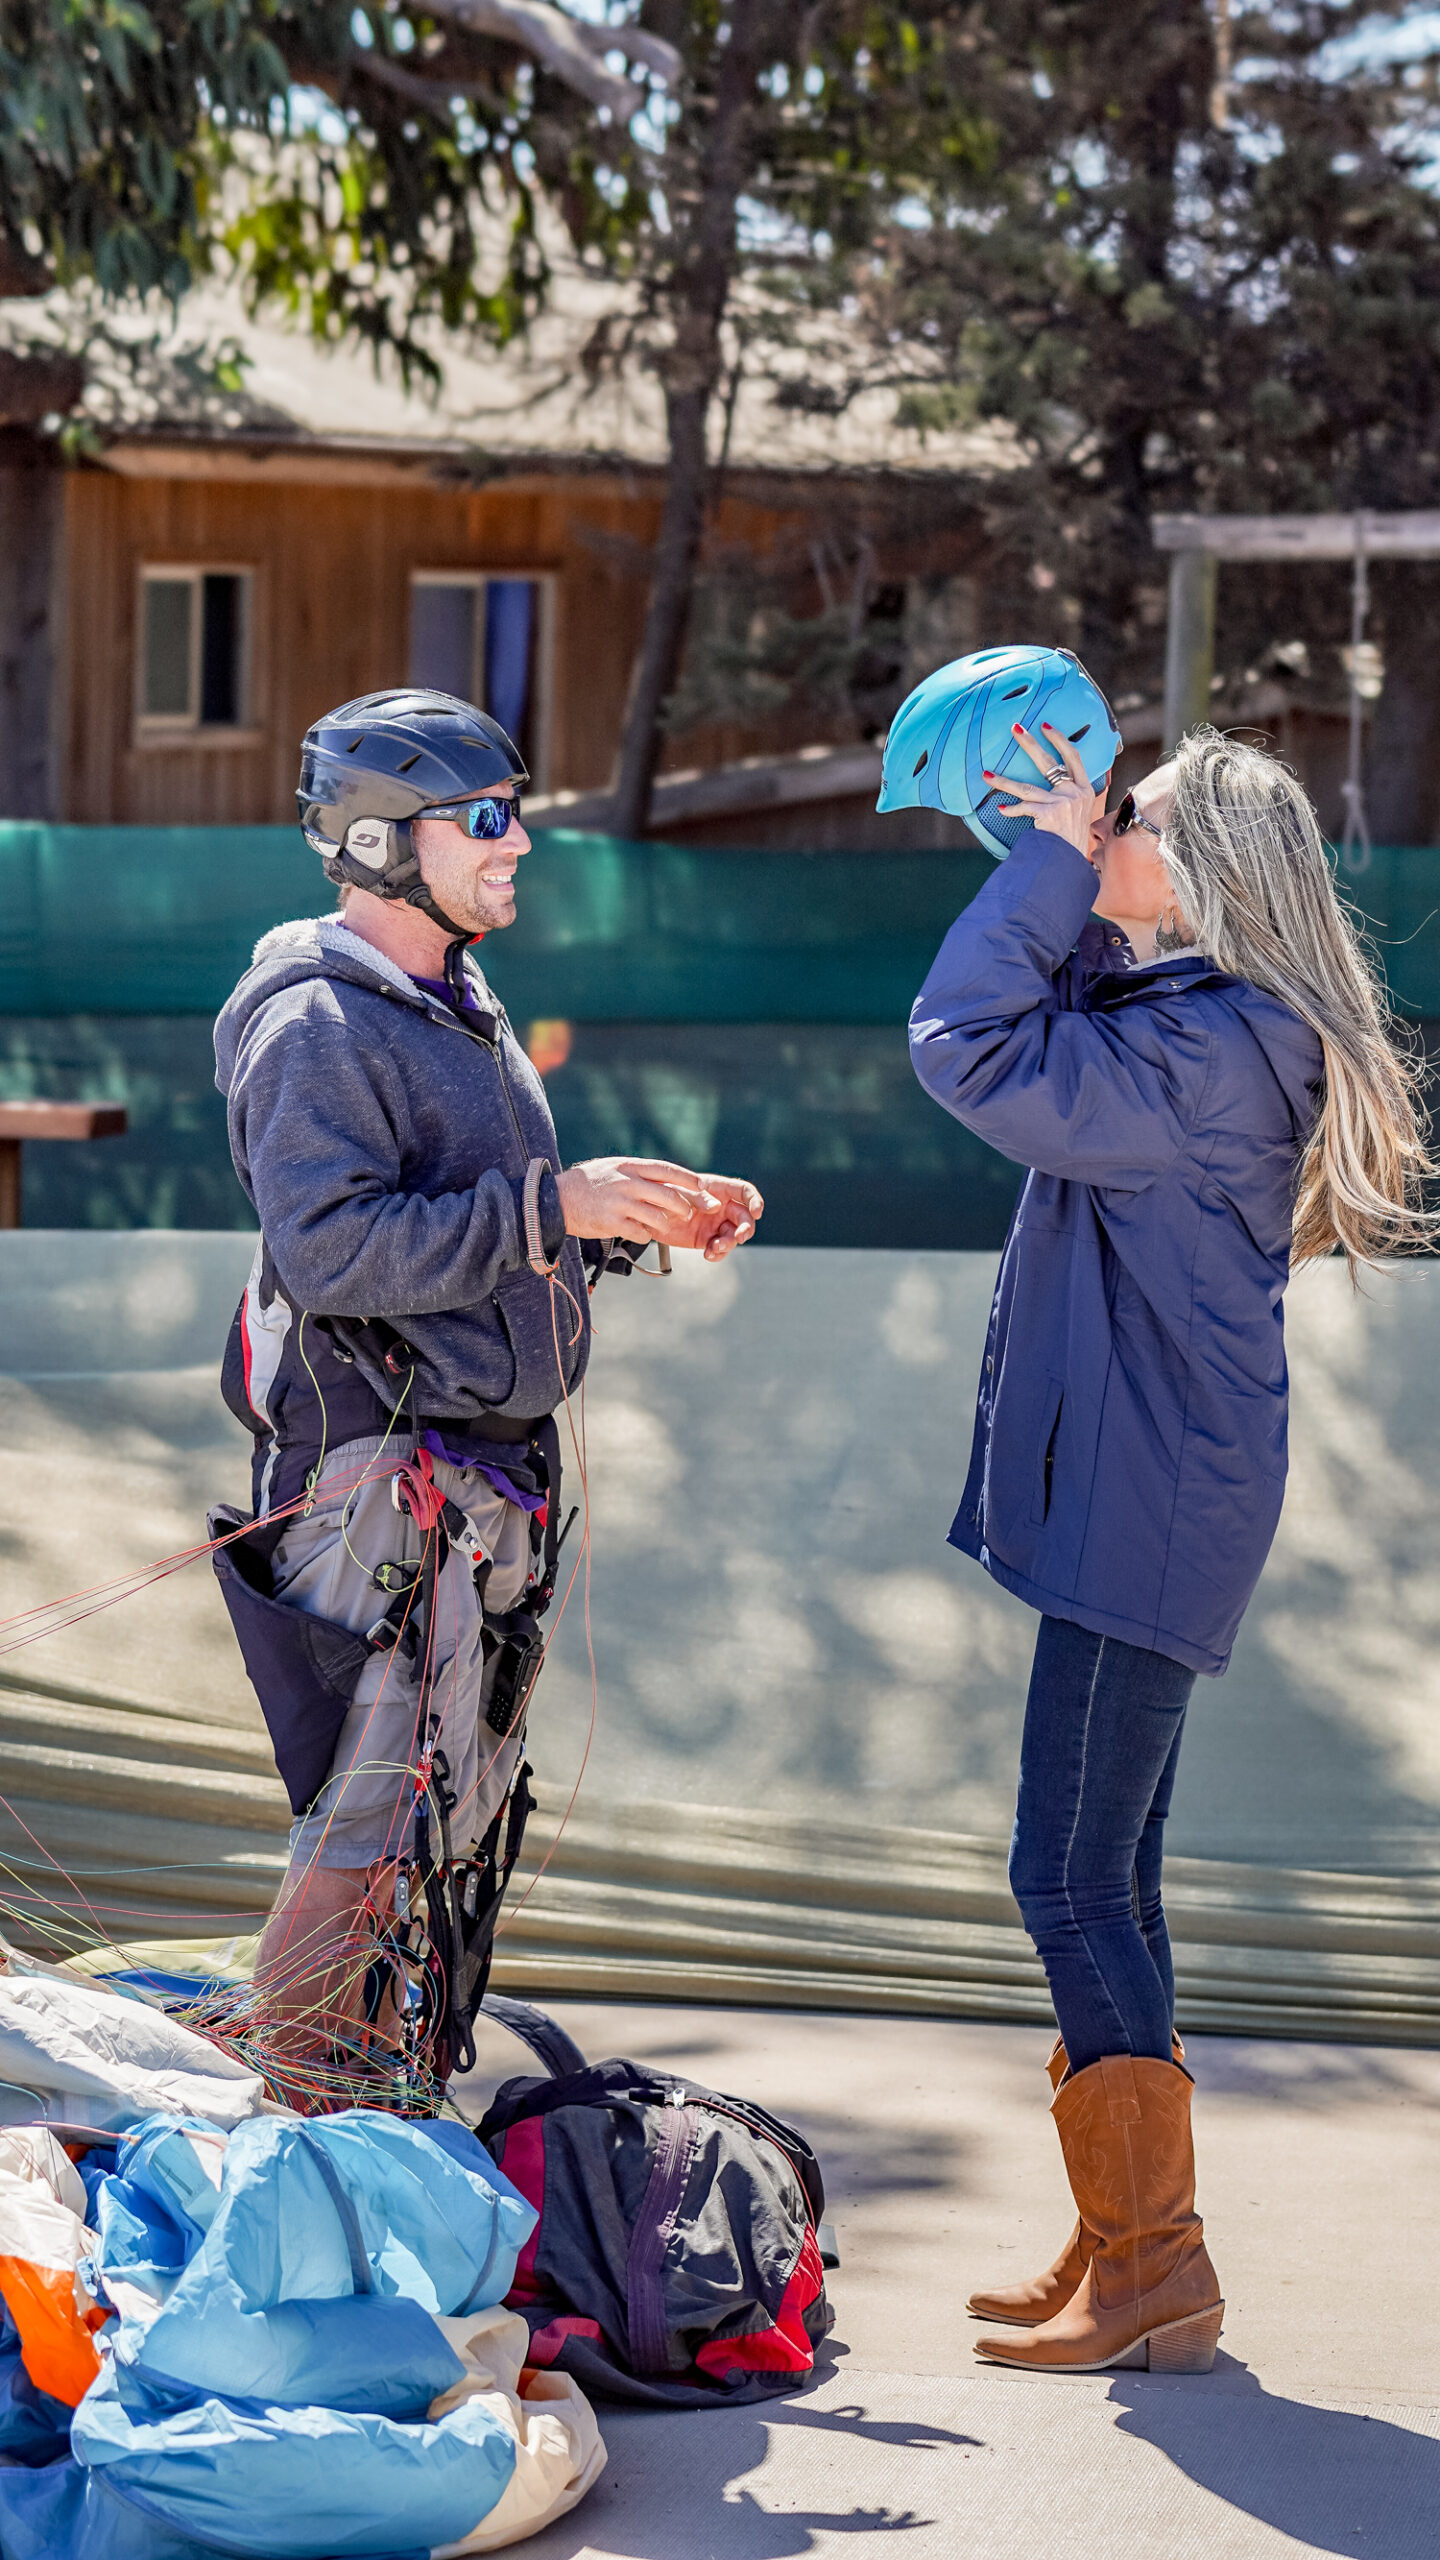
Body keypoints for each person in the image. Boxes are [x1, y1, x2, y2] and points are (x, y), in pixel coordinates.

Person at [886, 662, 1432, 2375]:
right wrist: (1061, 854)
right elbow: (1040, 1016)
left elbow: (966, 1045)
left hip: (1155, 1498)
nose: (1097, 822)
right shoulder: (1200, 1023)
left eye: (1131, 818)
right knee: (1109, 1870)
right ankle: (1124, 2237)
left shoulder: (1210, 1053)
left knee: (1062, 1873)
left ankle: (1155, 2273)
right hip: (1158, 1481)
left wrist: (1051, 865)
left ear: (1199, 877)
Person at [212, 687, 762, 2082]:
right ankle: (303, 2136)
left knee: (437, 1833)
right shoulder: (317, 1025)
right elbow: (329, 1251)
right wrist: (549, 1206)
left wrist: (624, 1221)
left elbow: (481, 1222)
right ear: (384, 843)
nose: (519, 844)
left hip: (483, 1481)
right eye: (488, 819)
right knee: (364, 1831)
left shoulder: (452, 1001)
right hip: (376, 1485)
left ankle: (377, 2116)